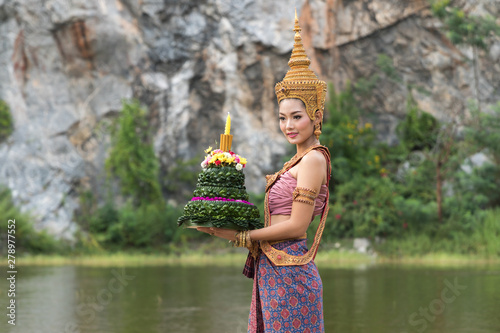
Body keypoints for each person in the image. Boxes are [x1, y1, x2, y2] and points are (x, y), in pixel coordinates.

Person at [198, 10, 331, 333]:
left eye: (297, 116)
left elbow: (297, 226)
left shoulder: (314, 160)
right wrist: (223, 227)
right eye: (283, 118)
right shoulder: (293, 163)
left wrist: (243, 236)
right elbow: (276, 226)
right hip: (272, 269)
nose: (288, 125)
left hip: (292, 274)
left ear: (315, 115)